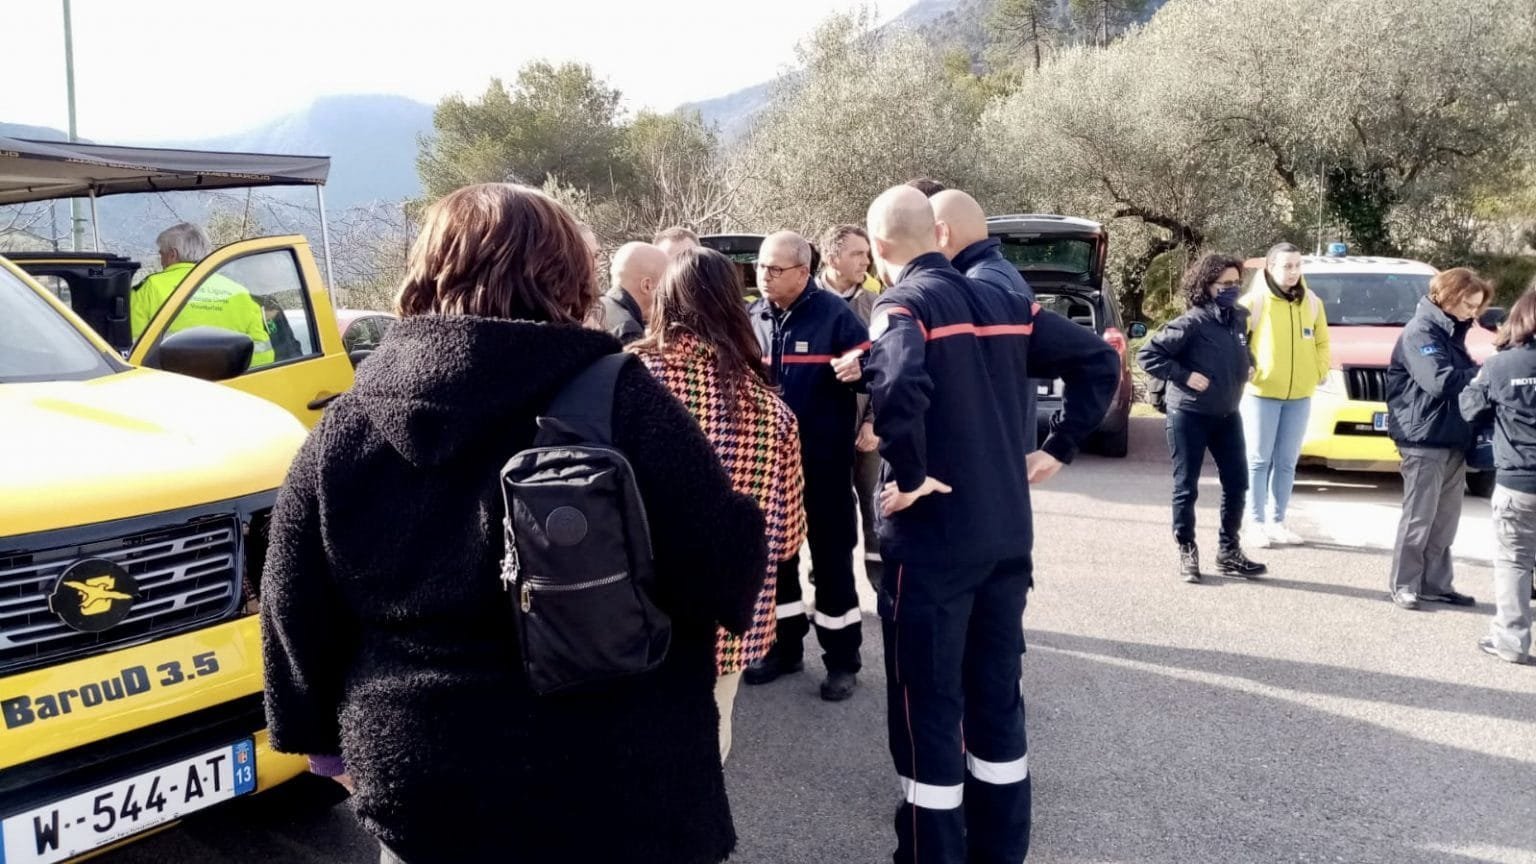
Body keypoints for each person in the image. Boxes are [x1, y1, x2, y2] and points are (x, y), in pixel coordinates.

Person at [260, 183, 768, 864]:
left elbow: (292, 606)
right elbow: (724, 574)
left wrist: (329, 755)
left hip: (423, 789)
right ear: (565, 275)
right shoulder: (622, 399)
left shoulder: (345, 424)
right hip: (614, 781)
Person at [863, 184, 1120, 864]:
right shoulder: (1010, 301)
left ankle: (931, 853)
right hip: (1007, 537)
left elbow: (896, 387)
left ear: (882, 248)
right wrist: (1060, 447)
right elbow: (1099, 359)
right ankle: (1002, 850)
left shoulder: (901, 304)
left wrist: (911, 475)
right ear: (939, 236)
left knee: (927, 710)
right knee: (996, 698)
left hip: (936, 546)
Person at [629, 247, 807, 759]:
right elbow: (789, 535)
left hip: (629, 606)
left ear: (665, 301)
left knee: (631, 735)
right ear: (734, 307)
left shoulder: (627, 381)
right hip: (725, 614)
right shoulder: (771, 412)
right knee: (711, 726)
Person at [744, 230, 870, 702]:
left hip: (824, 466)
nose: (764, 276)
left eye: (774, 269)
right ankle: (784, 648)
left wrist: (862, 371)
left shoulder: (834, 316)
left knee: (833, 561)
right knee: (778, 562)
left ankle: (842, 661)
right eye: (760, 266)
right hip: (771, 470)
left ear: (803, 272)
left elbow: (876, 363)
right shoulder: (751, 316)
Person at [1137, 254, 1268, 583]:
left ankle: (1228, 551)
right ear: (1205, 286)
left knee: (1238, 484)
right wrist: (1183, 375)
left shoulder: (1238, 317)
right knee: (1186, 487)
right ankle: (1187, 549)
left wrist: (1247, 363)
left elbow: (1242, 347)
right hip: (1189, 414)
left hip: (1227, 413)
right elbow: (1147, 354)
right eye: (1224, 284)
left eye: (1236, 283)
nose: (1232, 289)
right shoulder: (1191, 322)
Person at [1385, 267, 1490, 610]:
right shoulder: (1421, 331)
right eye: (1469, 304)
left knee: (1445, 519)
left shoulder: (1450, 333)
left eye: (1477, 307)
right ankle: (1404, 584)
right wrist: (1485, 373)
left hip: (1452, 436)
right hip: (1423, 438)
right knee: (1419, 517)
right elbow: (1440, 382)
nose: (1473, 313)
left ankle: (1435, 583)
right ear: (1448, 296)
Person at [1460, 286, 1536, 663]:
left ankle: (1511, 641)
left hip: (1519, 481)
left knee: (1514, 561)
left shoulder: (1501, 365)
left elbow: (1471, 410)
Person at [931, 188, 1038, 451]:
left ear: (941, 233)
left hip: (988, 454)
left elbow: (975, 377)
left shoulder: (983, 283)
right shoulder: (999, 274)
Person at [1239, 242, 1330, 548]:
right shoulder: (1253, 302)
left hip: (1300, 396)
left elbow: (1322, 343)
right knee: (1258, 460)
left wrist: (1316, 371)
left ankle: (1278, 521)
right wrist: (1249, 368)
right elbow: (1237, 341)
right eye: (1286, 266)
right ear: (1270, 268)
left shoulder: (1313, 303)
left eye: (1297, 265)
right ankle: (1255, 522)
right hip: (1262, 393)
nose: (1293, 272)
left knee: (1288, 461)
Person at [817, 224, 883, 587]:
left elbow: (887, 368)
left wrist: (873, 421)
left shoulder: (877, 305)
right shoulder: (806, 302)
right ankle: (827, 588)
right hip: (821, 434)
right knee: (828, 513)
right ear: (832, 257)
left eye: (868, 253)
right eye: (858, 253)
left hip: (866, 431)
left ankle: (884, 589)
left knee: (876, 510)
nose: (867, 261)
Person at [132, 222, 275, 367]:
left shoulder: (150, 287)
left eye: (161, 254)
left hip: (169, 383)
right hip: (229, 386)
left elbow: (132, 350)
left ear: (173, 254)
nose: (161, 261)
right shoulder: (240, 293)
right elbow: (263, 356)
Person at [598, 241, 667, 344]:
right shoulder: (628, 331)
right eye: (666, 285)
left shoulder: (595, 310)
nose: (669, 293)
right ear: (647, 286)